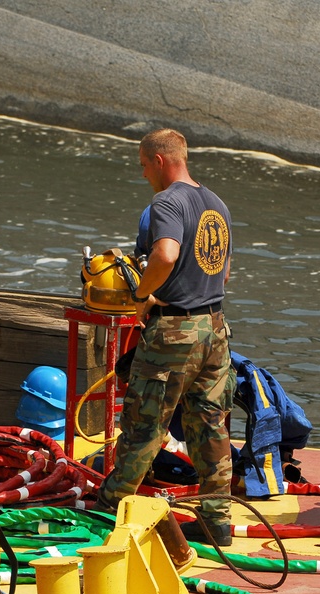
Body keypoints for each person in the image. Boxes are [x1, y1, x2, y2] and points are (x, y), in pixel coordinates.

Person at [95, 128, 236, 546]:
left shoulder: (167, 201)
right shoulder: (218, 205)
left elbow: (167, 254)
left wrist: (143, 294)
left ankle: (110, 509)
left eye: (143, 165)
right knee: (210, 424)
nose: (144, 175)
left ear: (160, 160)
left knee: (144, 422)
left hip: (175, 329)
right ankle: (217, 520)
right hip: (216, 327)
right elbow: (225, 271)